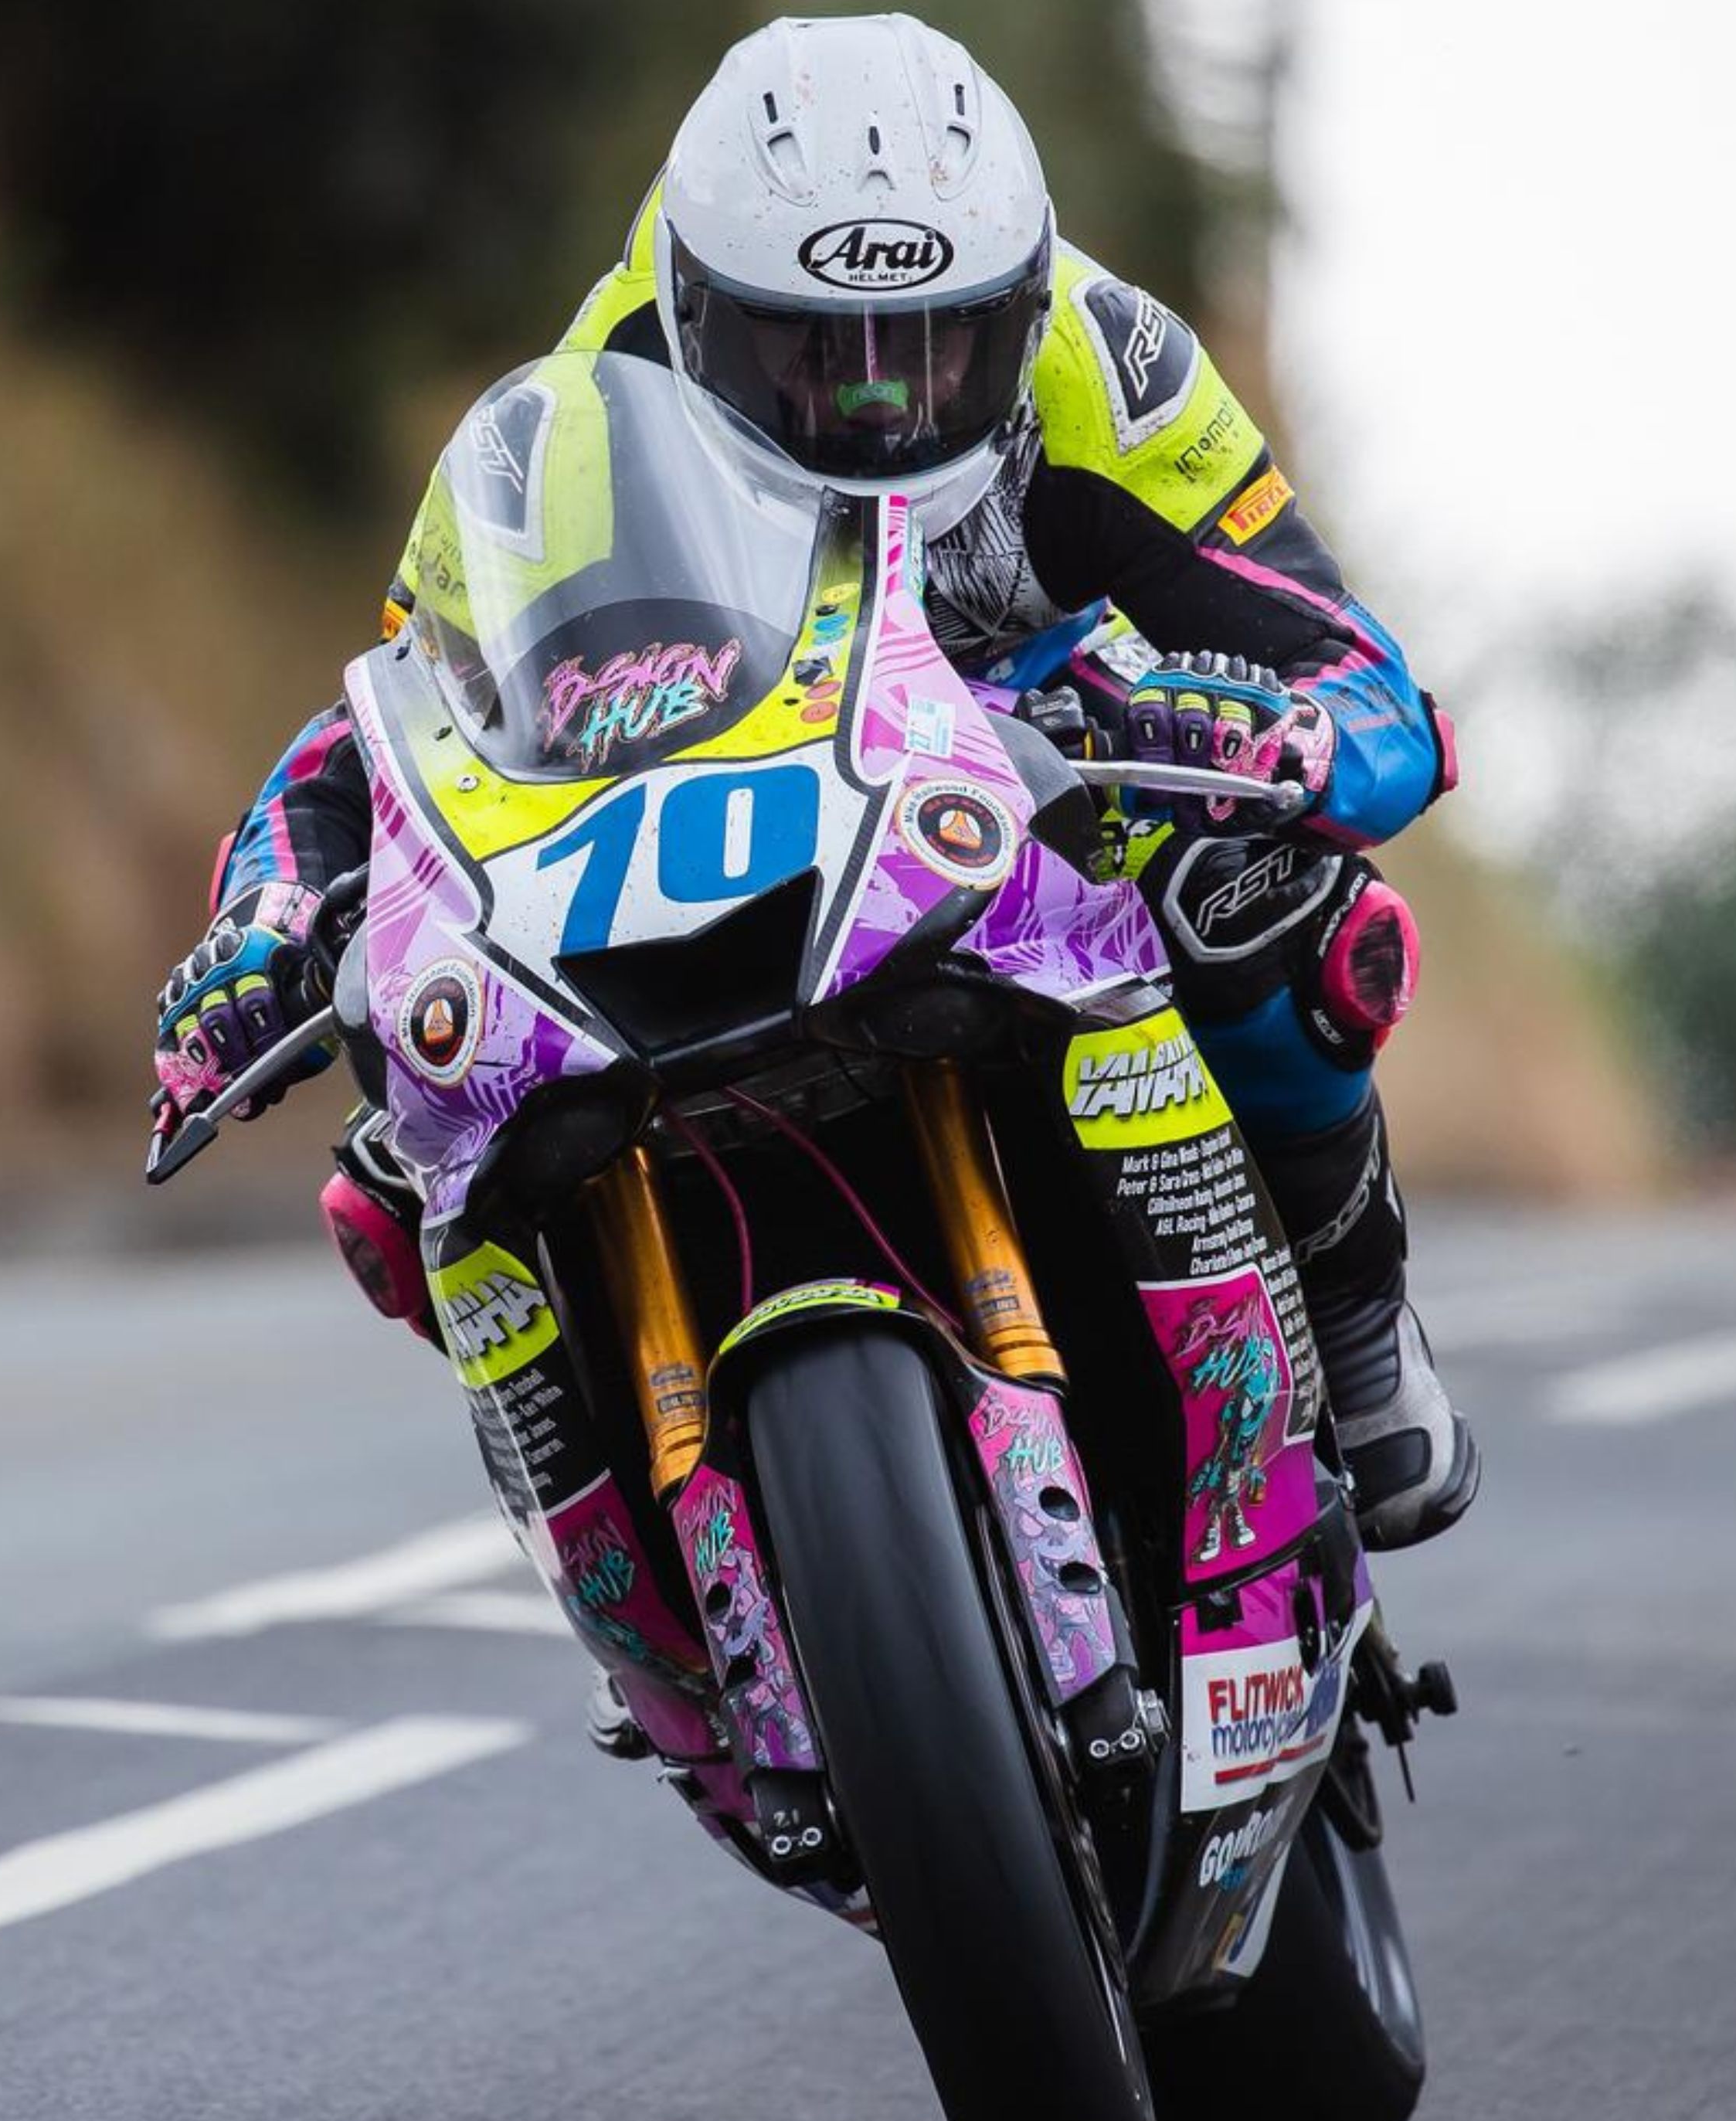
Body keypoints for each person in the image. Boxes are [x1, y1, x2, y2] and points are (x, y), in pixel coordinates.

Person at [154, 12, 1478, 1552]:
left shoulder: (1110, 368)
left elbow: (1366, 681)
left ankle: (1353, 1300)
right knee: (411, 1137)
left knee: (1264, 893)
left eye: (936, 347)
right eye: (810, 352)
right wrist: (268, 916)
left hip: (1039, 763)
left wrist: (1281, 739)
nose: (876, 405)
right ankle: (620, 1547)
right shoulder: (583, 407)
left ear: (1018, 303)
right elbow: (394, 728)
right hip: (734, 799)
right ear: (699, 313)